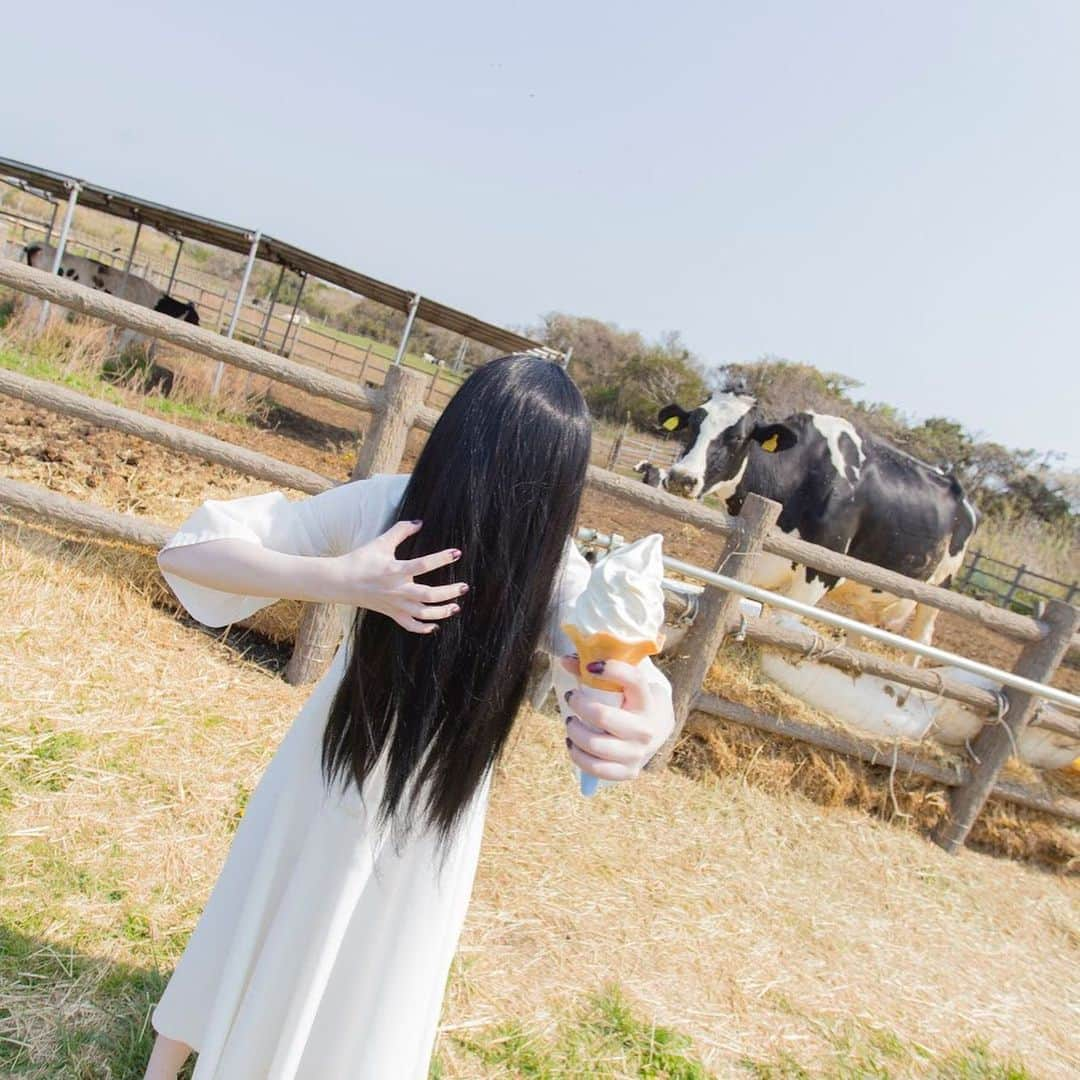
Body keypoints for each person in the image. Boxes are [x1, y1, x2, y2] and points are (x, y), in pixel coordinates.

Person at [143, 354, 676, 1079]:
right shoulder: (388, 508)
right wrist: (340, 580)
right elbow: (192, 552)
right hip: (326, 774)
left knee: (370, 970)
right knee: (257, 910)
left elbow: (628, 676)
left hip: (430, 821)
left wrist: (650, 720)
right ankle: (168, 1065)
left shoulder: (552, 576)